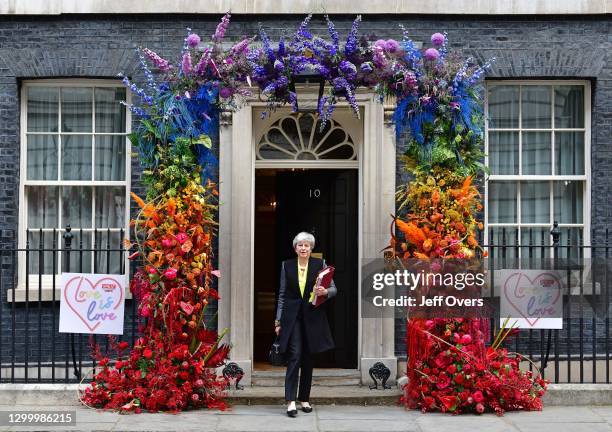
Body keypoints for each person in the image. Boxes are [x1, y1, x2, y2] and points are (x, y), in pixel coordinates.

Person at [274, 232, 336, 417]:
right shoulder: (287, 265)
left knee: (308, 358)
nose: (303, 248)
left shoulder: (320, 265)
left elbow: (334, 288)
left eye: (306, 245)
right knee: (295, 355)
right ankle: (291, 401)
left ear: (311, 248)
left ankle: (304, 399)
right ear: (295, 248)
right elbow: (282, 295)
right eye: (300, 245)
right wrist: (278, 321)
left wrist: (325, 291)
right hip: (292, 319)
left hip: (312, 317)